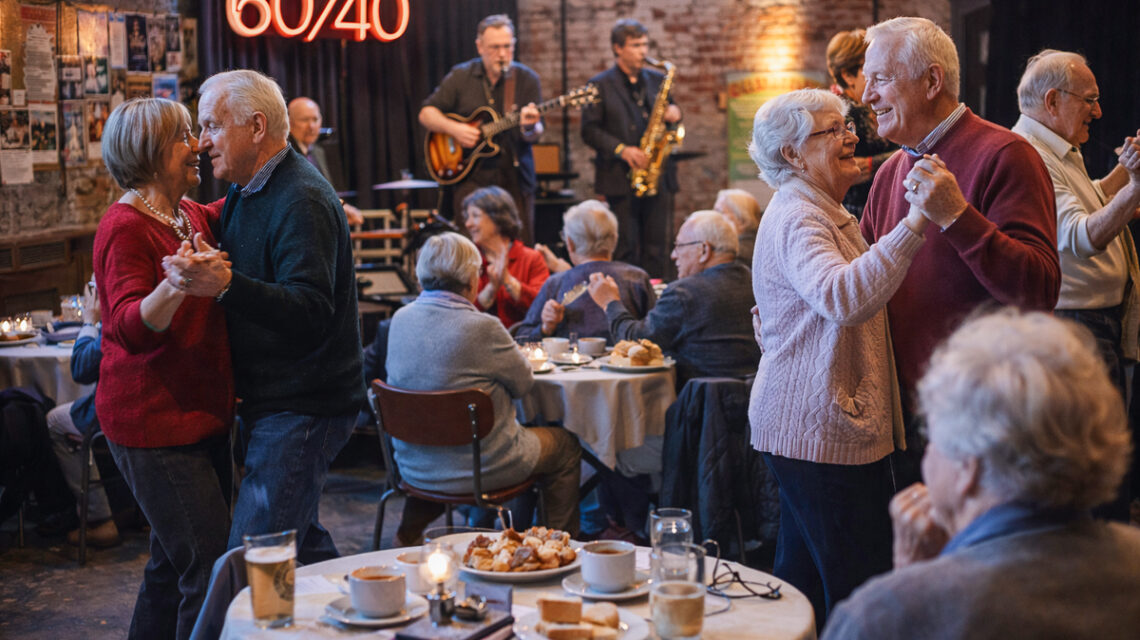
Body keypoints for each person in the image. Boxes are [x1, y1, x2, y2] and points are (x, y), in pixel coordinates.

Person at [822, 310, 1140, 639]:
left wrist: (908, 587)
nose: (927, 455)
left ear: (968, 468)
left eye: (931, 438)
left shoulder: (880, 616)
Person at [162, 69, 364, 564]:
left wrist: (226, 285)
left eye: (211, 125)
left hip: (304, 404)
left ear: (255, 127)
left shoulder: (302, 198)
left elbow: (312, 311)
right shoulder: (246, 187)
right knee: (301, 544)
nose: (201, 142)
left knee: (253, 558)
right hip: (273, 400)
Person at [747, 88, 932, 627]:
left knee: (803, 582)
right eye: (834, 130)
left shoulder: (824, 209)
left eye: (848, 125)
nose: (854, 135)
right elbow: (842, 297)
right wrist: (917, 221)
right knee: (855, 584)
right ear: (792, 155)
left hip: (817, 424)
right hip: (818, 427)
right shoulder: (800, 215)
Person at [858, 17, 1060, 485]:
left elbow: (1041, 289)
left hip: (986, 416)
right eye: (867, 81)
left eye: (881, 79)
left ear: (932, 81)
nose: (867, 96)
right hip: (908, 414)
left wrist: (957, 216)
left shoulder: (1008, 154)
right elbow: (862, 280)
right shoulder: (890, 173)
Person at [96, 97, 234, 640]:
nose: (198, 144)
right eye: (184, 135)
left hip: (199, 415)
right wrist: (175, 282)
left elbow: (238, 203)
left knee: (168, 565)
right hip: (152, 423)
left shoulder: (189, 214)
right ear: (151, 152)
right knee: (208, 565)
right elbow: (128, 325)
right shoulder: (123, 225)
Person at [385, 232, 581, 542]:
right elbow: (523, 384)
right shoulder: (483, 327)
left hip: (415, 466)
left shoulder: (399, 319)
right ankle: (553, 548)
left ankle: (413, 531)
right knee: (566, 446)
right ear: (471, 279)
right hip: (482, 467)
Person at [1011, 50, 1140, 522]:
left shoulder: (1056, 148)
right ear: (1052, 100)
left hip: (1089, 325)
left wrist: (1127, 176)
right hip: (1078, 328)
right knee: (1095, 465)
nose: (1099, 111)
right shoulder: (1031, 155)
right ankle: (1105, 576)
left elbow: (1091, 201)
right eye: (1091, 99)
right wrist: (1137, 188)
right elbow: (1081, 237)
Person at [588, 210, 759, 387]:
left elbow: (636, 344)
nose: (673, 255)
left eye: (679, 246)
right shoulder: (754, 282)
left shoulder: (684, 293)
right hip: (754, 400)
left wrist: (609, 302)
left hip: (702, 403)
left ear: (704, 250)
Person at [420, 14, 543, 242]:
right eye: (495, 47)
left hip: (514, 177)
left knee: (519, 246)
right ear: (480, 47)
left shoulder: (527, 79)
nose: (502, 54)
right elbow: (427, 113)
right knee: (471, 248)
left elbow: (534, 134)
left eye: (507, 46)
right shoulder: (461, 76)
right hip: (470, 178)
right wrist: (456, 130)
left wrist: (530, 127)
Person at [582, 18, 682, 279]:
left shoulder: (656, 80)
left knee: (656, 247)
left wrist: (675, 113)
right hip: (619, 178)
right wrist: (621, 150)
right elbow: (589, 130)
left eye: (645, 44)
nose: (643, 51)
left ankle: (655, 297)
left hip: (657, 177)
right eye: (636, 45)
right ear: (617, 48)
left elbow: (672, 115)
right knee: (624, 246)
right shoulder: (599, 84)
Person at [43, 283, 120, 548]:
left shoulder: (123, 315)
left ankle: (100, 519)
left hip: (121, 406)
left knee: (54, 420)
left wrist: (89, 321)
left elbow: (81, 368)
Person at [513, 199, 655, 342]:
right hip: (625, 363)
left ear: (570, 243)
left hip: (568, 364)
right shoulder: (637, 279)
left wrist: (546, 327)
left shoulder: (556, 283)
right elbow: (658, 334)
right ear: (614, 240)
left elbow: (522, 339)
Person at [825, 29, 899, 219]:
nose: (878, 74)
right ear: (848, 75)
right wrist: (908, 153)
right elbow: (845, 170)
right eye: (868, 70)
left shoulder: (864, 106)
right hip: (860, 215)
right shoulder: (843, 112)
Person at [463, 185, 549, 328]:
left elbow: (541, 307)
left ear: (497, 218)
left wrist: (508, 281)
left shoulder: (532, 258)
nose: (468, 224)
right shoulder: (468, 259)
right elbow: (461, 313)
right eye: (467, 217)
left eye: (475, 216)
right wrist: (491, 289)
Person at [287, 96, 364, 225]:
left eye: (315, 119)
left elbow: (327, 189)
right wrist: (341, 206)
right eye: (304, 120)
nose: (311, 126)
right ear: (289, 122)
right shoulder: (286, 153)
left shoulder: (318, 151)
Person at [712, 188, 762, 269]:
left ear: (741, 220)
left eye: (719, 212)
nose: (713, 218)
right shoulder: (757, 243)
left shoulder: (737, 254)